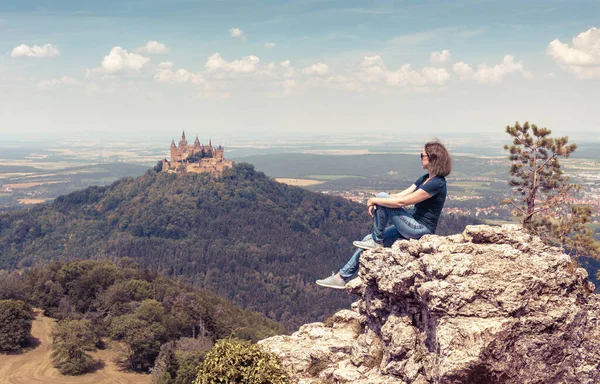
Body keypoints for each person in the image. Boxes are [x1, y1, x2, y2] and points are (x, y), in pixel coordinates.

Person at [316, 140, 452, 289]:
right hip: (412, 224)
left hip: (421, 230)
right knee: (367, 238)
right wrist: (379, 199)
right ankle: (341, 277)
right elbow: (399, 196)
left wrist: (376, 199)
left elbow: (402, 202)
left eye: (422, 155)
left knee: (381, 199)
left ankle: (377, 240)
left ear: (433, 157)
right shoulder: (425, 179)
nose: (420, 157)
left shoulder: (437, 183)